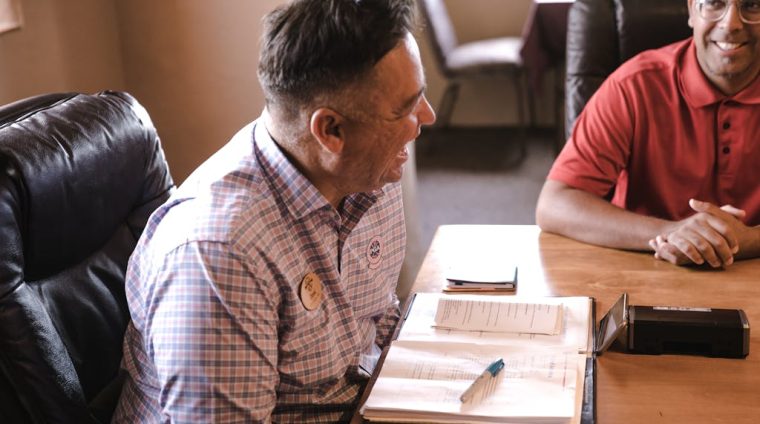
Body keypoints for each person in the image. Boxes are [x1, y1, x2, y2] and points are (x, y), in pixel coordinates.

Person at [112, 0, 435, 422]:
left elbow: (376, 317)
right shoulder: (219, 254)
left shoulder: (368, 172)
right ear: (331, 131)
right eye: (405, 108)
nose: (426, 117)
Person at [536, 0, 760, 268]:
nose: (731, 24)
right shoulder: (634, 85)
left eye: (753, 6)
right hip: (643, 271)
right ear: (691, 10)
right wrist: (671, 232)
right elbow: (555, 204)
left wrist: (749, 240)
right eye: (714, 3)